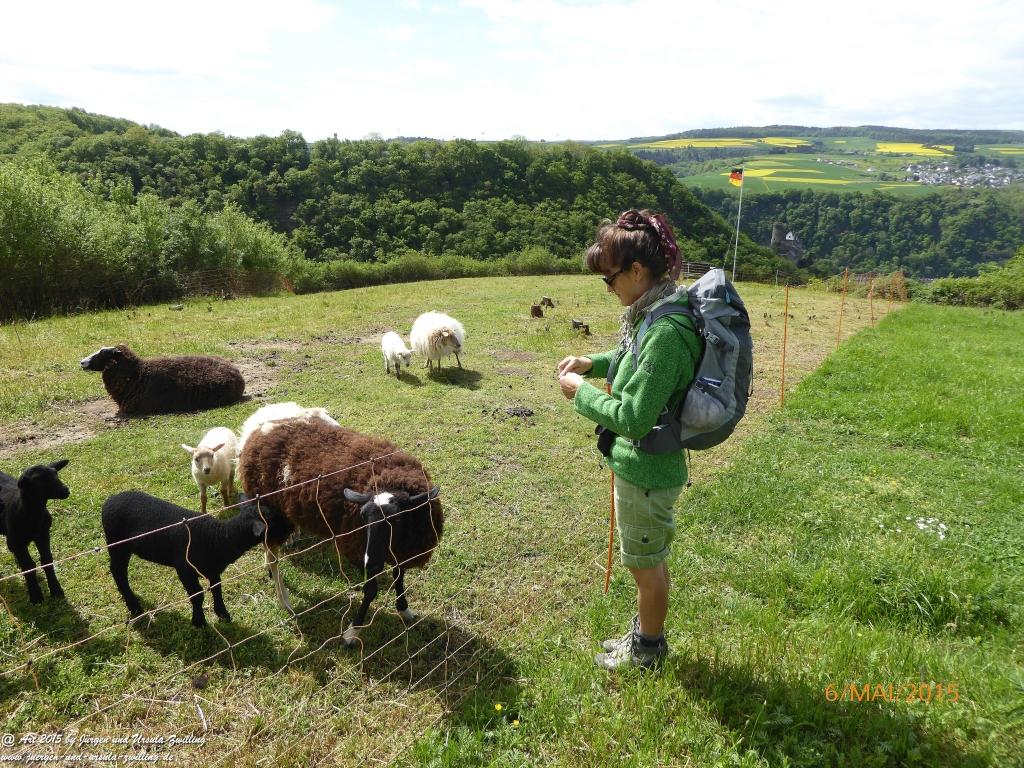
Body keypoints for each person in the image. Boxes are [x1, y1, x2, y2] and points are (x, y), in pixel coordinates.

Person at [557, 209, 701, 671]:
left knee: (644, 567)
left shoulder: (665, 332)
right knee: (649, 561)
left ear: (637, 271)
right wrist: (592, 363)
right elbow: (630, 361)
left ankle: (648, 652)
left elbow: (635, 418)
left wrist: (582, 396)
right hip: (647, 468)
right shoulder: (656, 311)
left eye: (610, 278)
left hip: (646, 471)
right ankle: (646, 634)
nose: (608, 288)